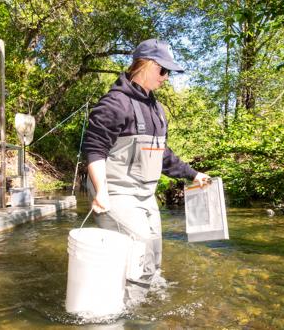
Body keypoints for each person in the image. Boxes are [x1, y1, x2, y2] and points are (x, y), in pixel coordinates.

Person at [82, 39, 209, 305]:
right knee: (139, 254)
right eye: (164, 70)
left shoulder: (156, 108)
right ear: (147, 65)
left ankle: (146, 303)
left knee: (153, 255)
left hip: (145, 194)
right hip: (115, 193)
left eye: (169, 72)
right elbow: (94, 149)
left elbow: (161, 154)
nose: (166, 77)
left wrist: (192, 174)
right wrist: (101, 191)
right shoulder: (114, 103)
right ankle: (127, 315)